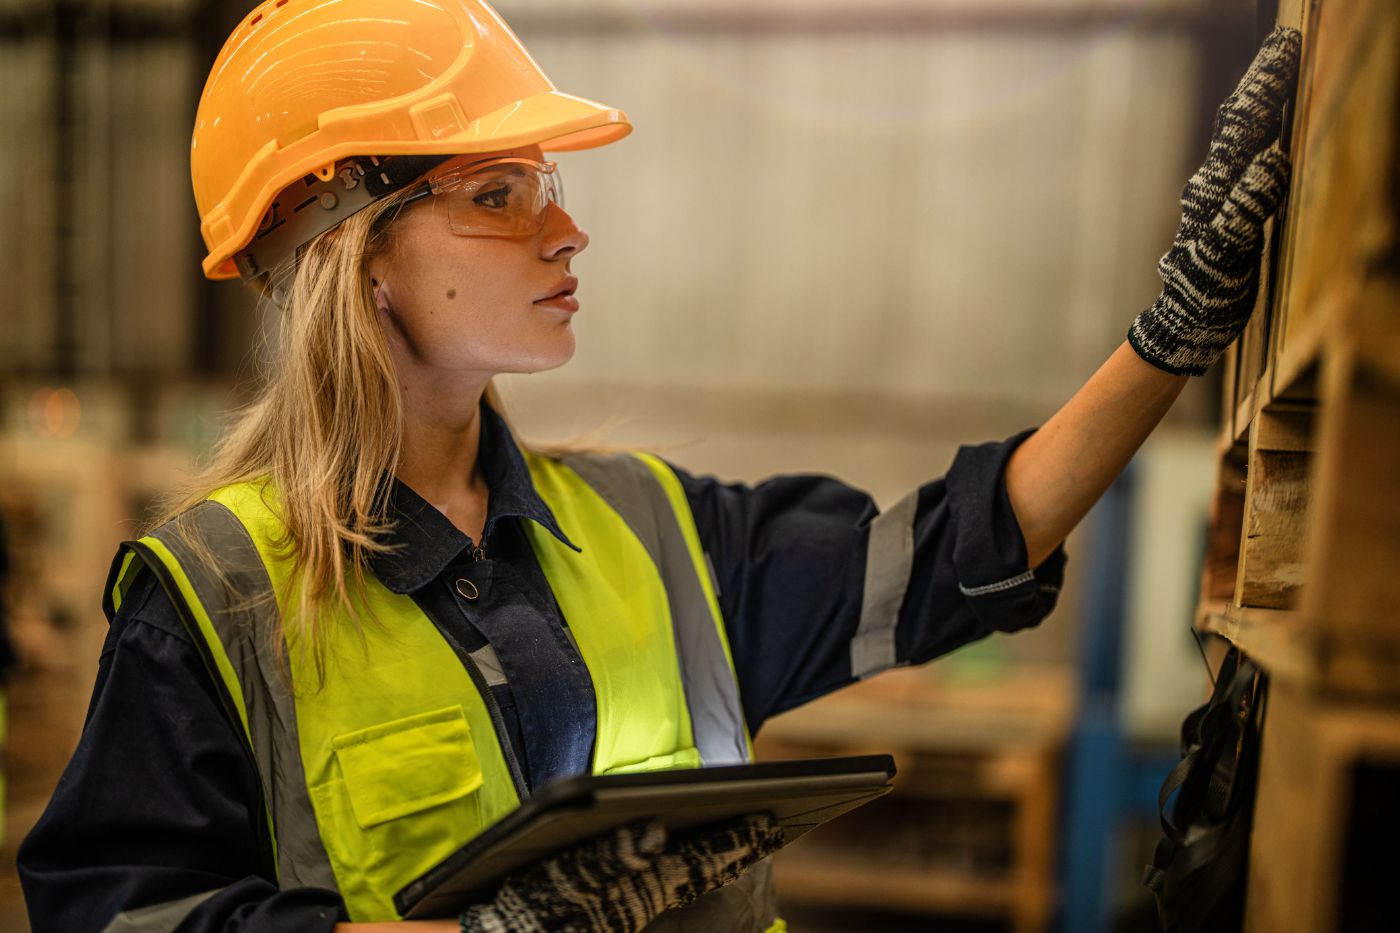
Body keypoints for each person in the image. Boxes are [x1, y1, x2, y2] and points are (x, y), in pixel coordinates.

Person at [17, 0, 1301, 930]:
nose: (567, 231)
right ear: (361, 257)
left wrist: (1169, 334)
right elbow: (117, 909)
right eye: (502, 192)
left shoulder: (646, 526)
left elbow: (961, 549)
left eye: (550, 184)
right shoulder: (215, 598)